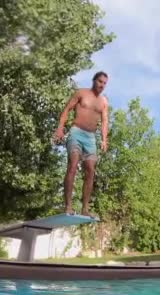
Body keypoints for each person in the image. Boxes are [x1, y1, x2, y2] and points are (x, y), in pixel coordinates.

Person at [53, 71, 109, 217]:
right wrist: (60, 128)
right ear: (94, 80)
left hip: (90, 138)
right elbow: (66, 110)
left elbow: (104, 122)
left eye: (104, 83)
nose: (102, 85)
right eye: (100, 81)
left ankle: (85, 209)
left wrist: (104, 139)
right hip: (76, 132)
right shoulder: (81, 93)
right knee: (73, 164)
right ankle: (68, 206)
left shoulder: (103, 102)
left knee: (90, 170)